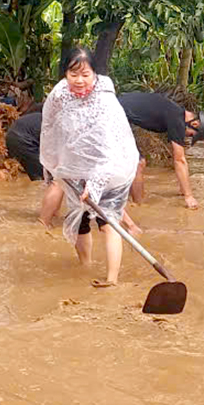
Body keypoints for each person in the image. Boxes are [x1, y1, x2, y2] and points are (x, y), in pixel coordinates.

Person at [40, 47, 140, 287]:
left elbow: (108, 149)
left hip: (112, 168)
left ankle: (111, 279)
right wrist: (56, 167)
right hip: (75, 166)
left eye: (86, 74)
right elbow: (49, 127)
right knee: (80, 219)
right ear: (65, 74)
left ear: (95, 74)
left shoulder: (104, 100)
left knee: (109, 222)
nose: (80, 81)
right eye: (73, 74)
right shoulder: (59, 94)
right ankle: (85, 267)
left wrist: (94, 185)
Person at [118, 91, 204, 209]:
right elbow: (180, 160)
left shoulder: (176, 112)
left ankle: (130, 204)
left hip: (119, 109)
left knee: (133, 162)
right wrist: (188, 196)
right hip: (114, 114)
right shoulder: (178, 120)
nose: (187, 136)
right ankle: (138, 207)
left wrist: (183, 189)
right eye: (191, 135)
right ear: (194, 123)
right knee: (138, 163)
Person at [6, 111, 43, 181]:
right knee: (42, 175)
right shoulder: (55, 125)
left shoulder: (44, 118)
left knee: (33, 170)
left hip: (12, 137)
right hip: (23, 140)